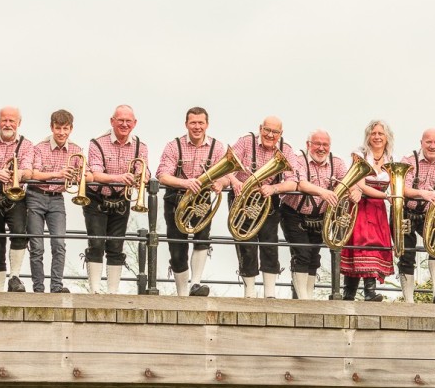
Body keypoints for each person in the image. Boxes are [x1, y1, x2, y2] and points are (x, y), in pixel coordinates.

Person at [157, 107, 226, 296]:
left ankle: (195, 284)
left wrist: (220, 182)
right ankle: (182, 293)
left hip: (202, 199)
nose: (197, 127)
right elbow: (162, 176)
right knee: (177, 245)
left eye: (201, 123)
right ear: (186, 124)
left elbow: (228, 175)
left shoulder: (217, 147)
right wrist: (185, 183)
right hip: (176, 198)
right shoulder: (173, 146)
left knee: (202, 238)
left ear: (207, 125)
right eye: (193, 123)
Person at [83, 105, 147, 294]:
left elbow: (144, 170)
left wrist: (141, 176)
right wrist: (120, 178)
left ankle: (113, 292)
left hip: (121, 198)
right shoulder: (97, 143)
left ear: (134, 124)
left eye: (128, 121)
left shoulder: (141, 147)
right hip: (96, 197)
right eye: (120, 120)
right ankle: (94, 290)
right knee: (96, 243)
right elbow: (95, 174)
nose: (124, 124)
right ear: (112, 121)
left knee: (116, 245)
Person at [229, 117, 293, 298]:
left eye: (275, 132)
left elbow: (293, 181)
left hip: (268, 199)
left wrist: (274, 188)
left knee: (269, 243)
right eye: (267, 130)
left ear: (281, 133)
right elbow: (227, 167)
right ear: (260, 128)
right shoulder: (245, 142)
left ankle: (270, 293)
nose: (270, 135)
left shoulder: (286, 149)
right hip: (241, 198)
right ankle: (249, 291)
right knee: (245, 243)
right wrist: (235, 182)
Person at [398, 129, 435, 304]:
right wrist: (422, 193)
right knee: (406, 253)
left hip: (429, 213)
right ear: (421, 142)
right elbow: (401, 188)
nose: (432, 146)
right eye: (428, 142)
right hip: (406, 210)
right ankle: (409, 300)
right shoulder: (409, 160)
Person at [26, 110, 83, 294]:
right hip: (35, 196)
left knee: (59, 243)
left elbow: (85, 174)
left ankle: (56, 286)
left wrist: (75, 177)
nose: (61, 132)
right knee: (37, 246)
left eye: (65, 128)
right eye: (58, 128)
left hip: (57, 199)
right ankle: (38, 288)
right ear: (52, 127)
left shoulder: (76, 150)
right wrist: (57, 174)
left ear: (71, 129)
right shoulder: (40, 147)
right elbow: (33, 175)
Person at [281, 130, 343, 300]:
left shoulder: (336, 163)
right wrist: (323, 192)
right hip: (294, 213)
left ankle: (308, 296)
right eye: (317, 144)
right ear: (308, 144)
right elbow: (299, 184)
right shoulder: (297, 160)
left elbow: (347, 182)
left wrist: (354, 190)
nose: (321, 148)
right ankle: (302, 299)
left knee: (314, 256)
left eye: (325, 145)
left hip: (320, 216)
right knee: (301, 253)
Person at [339, 120, 396, 301]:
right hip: (361, 205)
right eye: (374, 133)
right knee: (359, 245)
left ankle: (370, 292)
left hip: (378, 209)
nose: (377, 137)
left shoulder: (390, 159)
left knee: (375, 246)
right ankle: (349, 294)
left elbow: (394, 186)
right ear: (368, 136)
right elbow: (360, 185)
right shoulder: (360, 154)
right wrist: (385, 196)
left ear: (387, 138)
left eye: (381, 134)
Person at [0, 107, 34, 292]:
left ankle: (15, 277)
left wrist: (16, 173)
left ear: (19, 123)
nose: (8, 124)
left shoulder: (26, 145)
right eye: (4, 120)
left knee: (20, 233)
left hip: (16, 197)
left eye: (12, 121)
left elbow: (28, 170)